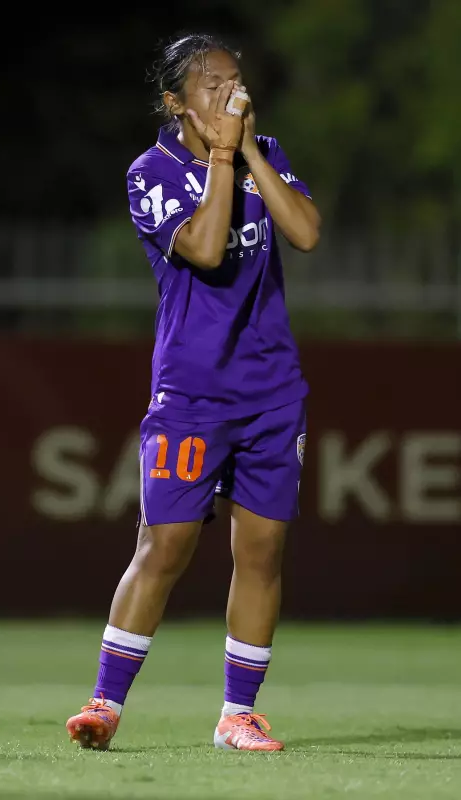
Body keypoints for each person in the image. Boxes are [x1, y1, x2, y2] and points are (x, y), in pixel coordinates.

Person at [66, 32, 320, 753]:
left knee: (262, 551)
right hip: (192, 392)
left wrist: (249, 155)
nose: (230, 96)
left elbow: (305, 232)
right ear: (175, 101)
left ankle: (238, 714)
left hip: (272, 390)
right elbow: (206, 249)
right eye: (211, 86)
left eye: (235, 82)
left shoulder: (262, 152)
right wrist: (222, 159)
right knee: (165, 544)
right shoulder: (151, 171)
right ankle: (105, 704)